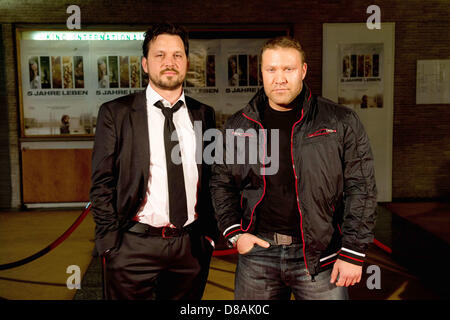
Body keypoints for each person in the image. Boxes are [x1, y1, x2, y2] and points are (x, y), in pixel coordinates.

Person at [210, 36, 377, 300]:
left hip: (319, 256)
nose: (280, 78)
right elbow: (221, 183)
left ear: (303, 70)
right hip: (257, 255)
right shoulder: (239, 126)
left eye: (288, 69)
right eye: (271, 70)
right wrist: (234, 234)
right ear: (261, 72)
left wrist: (353, 252)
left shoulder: (340, 121)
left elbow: (362, 188)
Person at [90, 23, 219, 300]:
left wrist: (208, 237)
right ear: (145, 64)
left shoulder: (204, 114)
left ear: (186, 62)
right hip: (132, 246)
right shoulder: (116, 113)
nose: (169, 62)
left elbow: (211, 179)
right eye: (160, 55)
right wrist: (110, 242)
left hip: (190, 248)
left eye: (177, 55)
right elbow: (101, 183)